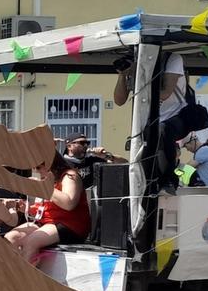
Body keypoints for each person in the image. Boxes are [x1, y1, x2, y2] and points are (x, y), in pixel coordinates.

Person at [0, 152, 90, 258]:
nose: (36, 171)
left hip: (70, 225)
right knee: (11, 237)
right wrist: (28, 209)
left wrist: (43, 188)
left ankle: (26, 272)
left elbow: (69, 203)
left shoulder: (69, 176)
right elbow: (47, 207)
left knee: (31, 241)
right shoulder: (47, 180)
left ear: (51, 164)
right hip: (48, 222)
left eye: (38, 167)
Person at [113, 51, 189, 192]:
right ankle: (147, 185)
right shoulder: (137, 67)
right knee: (145, 145)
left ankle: (169, 179)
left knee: (163, 130)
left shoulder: (172, 59)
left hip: (177, 115)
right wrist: (123, 74)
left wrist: (139, 76)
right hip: (151, 119)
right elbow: (119, 100)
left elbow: (165, 93)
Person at [61, 133, 125, 189]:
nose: (86, 146)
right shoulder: (61, 163)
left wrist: (106, 156)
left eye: (87, 143)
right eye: (82, 143)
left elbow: (124, 163)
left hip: (91, 200)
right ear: (69, 146)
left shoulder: (92, 161)